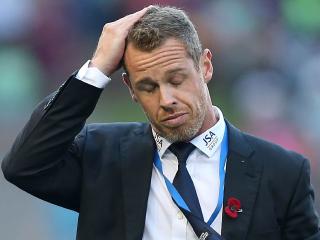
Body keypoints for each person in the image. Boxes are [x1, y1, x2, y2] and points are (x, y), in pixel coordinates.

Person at [1, 5, 319, 240]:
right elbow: (24, 165)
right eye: (148, 87)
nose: (166, 99)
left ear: (205, 66)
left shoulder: (283, 171)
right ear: (130, 89)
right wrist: (96, 70)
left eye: (176, 79)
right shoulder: (100, 154)